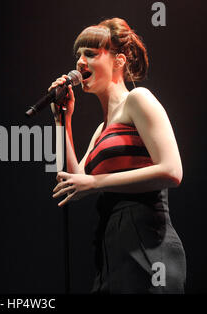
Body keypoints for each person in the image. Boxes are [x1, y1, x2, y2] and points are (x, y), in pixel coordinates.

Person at [50, 18, 186, 293]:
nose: (79, 62)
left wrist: (97, 183)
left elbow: (172, 170)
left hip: (147, 237)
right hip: (111, 244)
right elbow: (74, 183)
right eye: (78, 55)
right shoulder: (101, 129)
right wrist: (62, 122)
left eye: (90, 53)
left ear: (119, 60)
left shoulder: (139, 99)